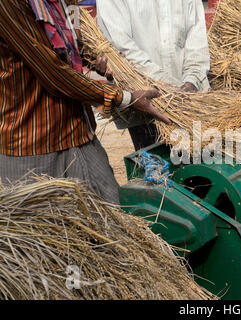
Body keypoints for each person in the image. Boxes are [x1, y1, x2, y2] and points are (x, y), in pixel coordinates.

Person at [0, 0, 171, 204]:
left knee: (114, 217)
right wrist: (126, 98)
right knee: (47, 227)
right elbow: (55, 75)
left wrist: (93, 59)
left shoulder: (63, 2)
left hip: (79, 132)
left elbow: (69, 45)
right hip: (33, 144)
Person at [96, 0, 211, 150]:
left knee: (200, 166)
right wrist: (172, 91)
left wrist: (192, 81)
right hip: (144, 104)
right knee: (157, 165)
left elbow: (197, 41)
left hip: (193, 100)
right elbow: (123, 50)